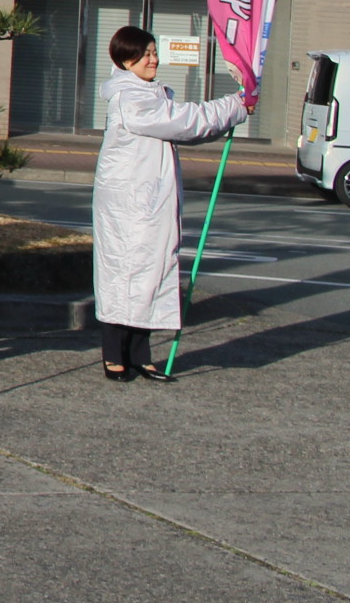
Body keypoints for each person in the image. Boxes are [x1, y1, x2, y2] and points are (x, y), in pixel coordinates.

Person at [94, 25, 249, 383]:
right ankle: (114, 354)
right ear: (126, 60)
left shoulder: (150, 93)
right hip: (128, 206)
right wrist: (235, 105)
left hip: (149, 202)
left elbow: (184, 121)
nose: (154, 60)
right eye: (145, 54)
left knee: (150, 273)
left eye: (154, 53)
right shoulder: (129, 98)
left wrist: (238, 103)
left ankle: (139, 354)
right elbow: (185, 122)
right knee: (124, 275)